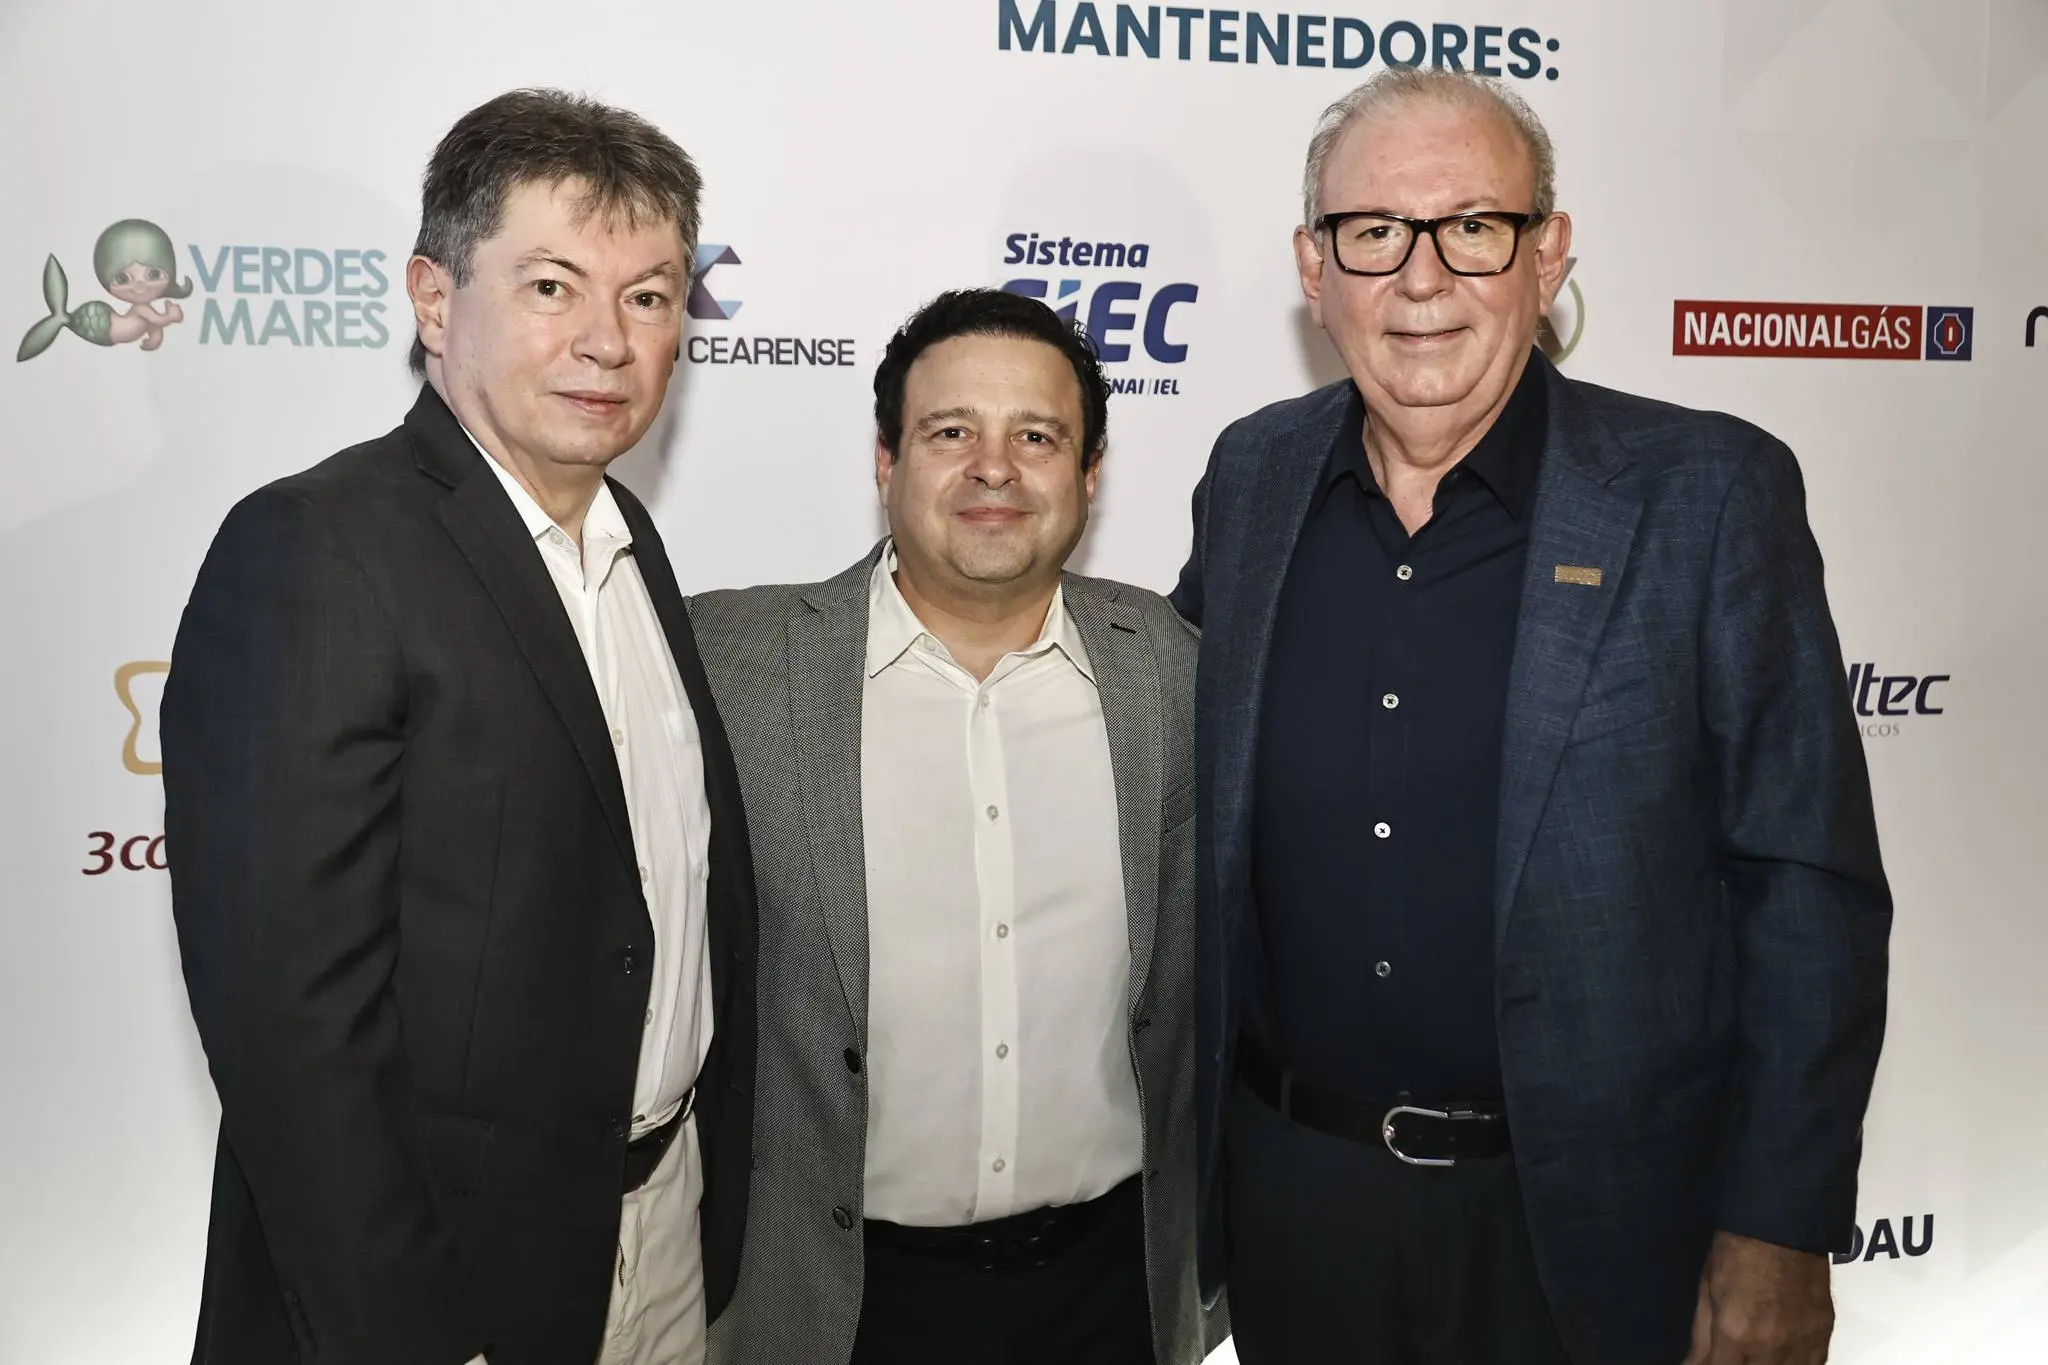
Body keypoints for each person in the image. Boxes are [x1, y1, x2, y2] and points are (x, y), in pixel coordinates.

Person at [1171, 68, 1891, 1365]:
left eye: (1473, 227)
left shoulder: (1704, 494)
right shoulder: (1250, 477)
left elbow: (1804, 887)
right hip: (1297, 1215)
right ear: (1313, 267)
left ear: (1547, 254)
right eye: (1373, 230)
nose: (1422, 278)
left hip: (1599, 1235)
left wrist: (1778, 1224)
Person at [161, 89, 756, 1365]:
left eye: (650, 297)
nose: (608, 341)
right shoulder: (317, 549)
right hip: (446, 1282)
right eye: (550, 287)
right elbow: (293, 1028)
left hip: (661, 1232)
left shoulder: (630, 541)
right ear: (434, 302)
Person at [692, 289, 1208, 1365]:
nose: (994, 468)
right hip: (831, 1301)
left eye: (1037, 436)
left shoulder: (1170, 667)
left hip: (1109, 1292)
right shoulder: (730, 664)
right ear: (886, 461)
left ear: (1089, 475)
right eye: (950, 432)